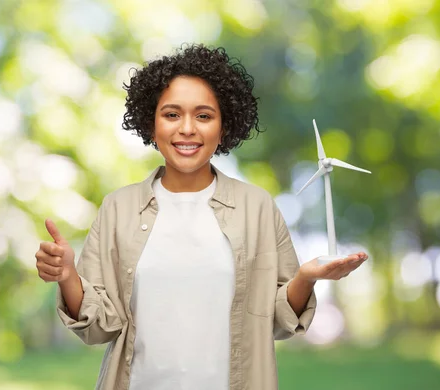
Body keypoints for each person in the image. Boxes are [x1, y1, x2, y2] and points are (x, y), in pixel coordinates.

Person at [35, 44, 368, 390]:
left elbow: (278, 321)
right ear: (151, 124)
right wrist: (68, 275)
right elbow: (99, 326)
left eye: (204, 116)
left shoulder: (257, 208)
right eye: (172, 114)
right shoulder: (118, 209)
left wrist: (305, 278)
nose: (188, 129)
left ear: (224, 129)